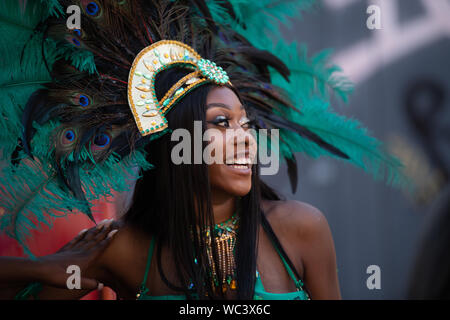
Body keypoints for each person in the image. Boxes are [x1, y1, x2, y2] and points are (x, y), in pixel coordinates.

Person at [0, 0, 406, 300]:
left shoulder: (301, 229)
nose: (246, 138)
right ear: (175, 142)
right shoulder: (122, 247)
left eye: (246, 124)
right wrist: (40, 267)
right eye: (222, 123)